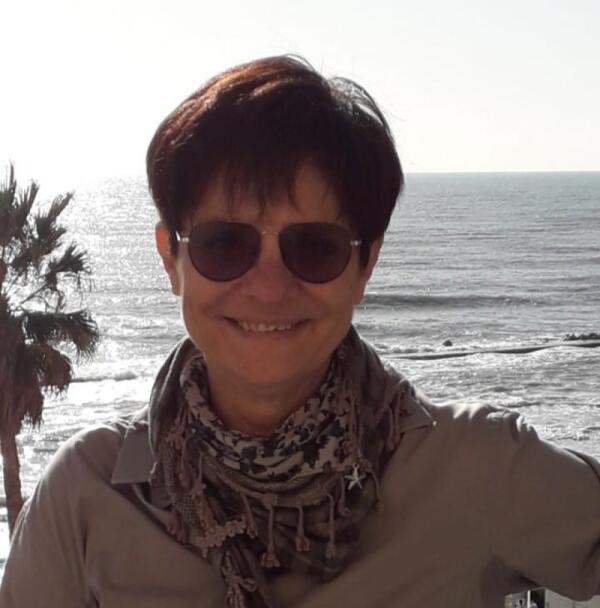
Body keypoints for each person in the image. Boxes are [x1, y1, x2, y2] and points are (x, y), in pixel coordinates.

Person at [1, 55, 599, 608]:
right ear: (170, 258)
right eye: (224, 243)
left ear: (365, 265)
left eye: (314, 246)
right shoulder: (87, 496)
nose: (268, 288)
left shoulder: (475, 468)